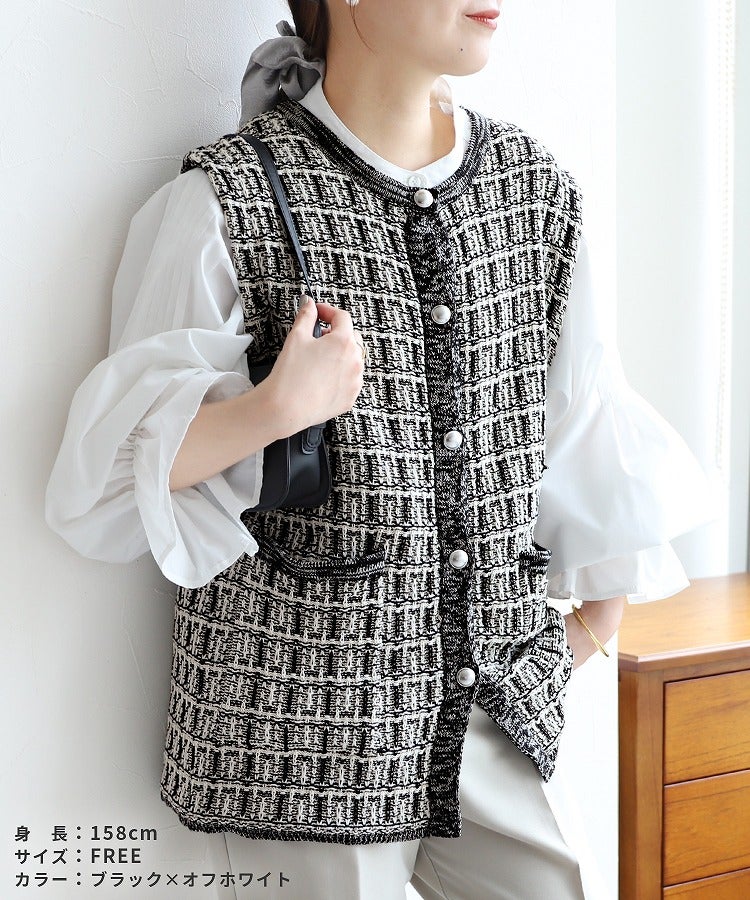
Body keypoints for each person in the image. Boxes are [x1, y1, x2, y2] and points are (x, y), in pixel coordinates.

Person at [45, 2, 715, 898]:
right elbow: (105, 484)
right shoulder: (227, 197)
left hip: (494, 719)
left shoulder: (535, 193)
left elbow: (581, 419)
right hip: (298, 750)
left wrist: (579, 636)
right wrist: (274, 408)